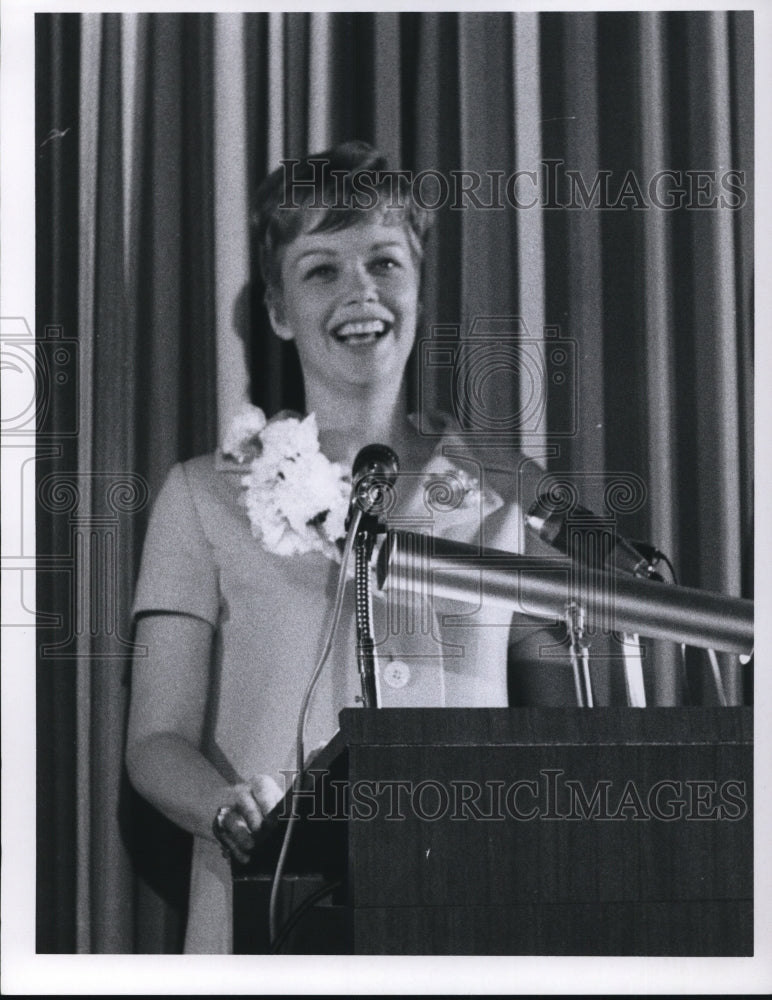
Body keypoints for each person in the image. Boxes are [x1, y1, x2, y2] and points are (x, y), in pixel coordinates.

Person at [126, 140, 555, 954]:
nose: (361, 291)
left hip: (462, 922)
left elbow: (552, 737)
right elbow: (154, 742)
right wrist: (224, 807)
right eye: (322, 269)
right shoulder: (200, 495)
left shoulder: (507, 496)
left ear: (419, 287)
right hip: (268, 917)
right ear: (280, 311)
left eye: (385, 262)